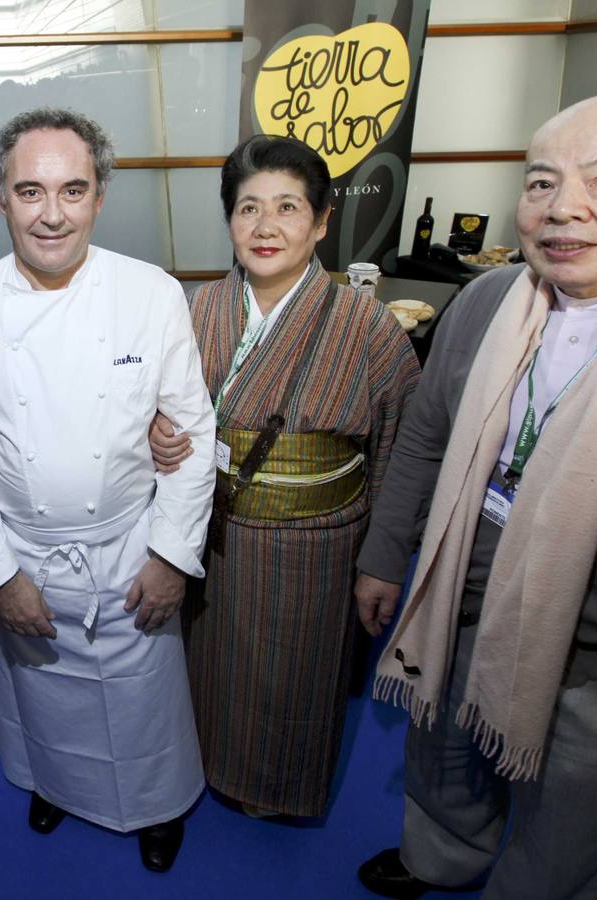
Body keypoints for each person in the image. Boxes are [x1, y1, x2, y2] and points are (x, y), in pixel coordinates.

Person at [352, 93, 597, 899]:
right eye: (539, 184)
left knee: (566, 842)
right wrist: (385, 556)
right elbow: (426, 437)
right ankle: (440, 856)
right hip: (459, 606)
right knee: (442, 762)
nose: (563, 209)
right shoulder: (490, 300)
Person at [0, 108, 215, 872]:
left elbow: (193, 438)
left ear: (98, 196)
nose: (51, 214)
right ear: (0, 198)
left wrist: (171, 556)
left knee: (142, 699)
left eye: (71, 190)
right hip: (24, 551)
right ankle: (52, 784)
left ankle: (154, 806)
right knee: (41, 696)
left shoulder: (151, 294)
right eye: (29, 191)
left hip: (128, 544)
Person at [148, 135, 420, 818]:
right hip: (205, 530)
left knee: (291, 677)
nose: (264, 227)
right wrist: (154, 433)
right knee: (206, 666)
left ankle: (278, 791)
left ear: (322, 220)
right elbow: (156, 408)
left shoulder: (367, 325)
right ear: (228, 220)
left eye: (287, 208)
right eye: (246, 209)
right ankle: (201, 766)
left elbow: (403, 452)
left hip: (314, 544)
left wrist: (382, 563)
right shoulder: (196, 307)